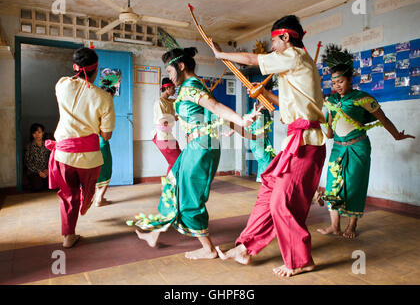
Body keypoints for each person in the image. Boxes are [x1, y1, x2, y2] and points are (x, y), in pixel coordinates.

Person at [209, 15, 327, 277]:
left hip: (306, 143)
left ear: (286, 37)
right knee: (267, 197)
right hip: (293, 142)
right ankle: (244, 248)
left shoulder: (295, 55)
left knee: (282, 204)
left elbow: (252, 59)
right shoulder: (294, 65)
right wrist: (261, 92)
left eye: (274, 41)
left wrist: (220, 54)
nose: (272, 47)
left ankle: (300, 260)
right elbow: (283, 101)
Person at [127, 47, 261, 260]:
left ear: (181, 66)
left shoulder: (190, 88)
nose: (170, 77)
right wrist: (241, 128)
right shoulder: (194, 86)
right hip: (197, 146)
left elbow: (216, 108)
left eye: (170, 71)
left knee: (189, 197)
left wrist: (241, 121)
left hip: (201, 147)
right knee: (173, 185)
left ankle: (208, 249)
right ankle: (155, 234)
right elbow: (212, 115)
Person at [316, 44, 415, 239]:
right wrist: (322, 124)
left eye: (341, 81)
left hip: (358, 147)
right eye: (334, 82)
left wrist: (397, 135)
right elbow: (329, 133)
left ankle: (351, 225)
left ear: (351, 79)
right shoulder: (331, 101)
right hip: (338, 148)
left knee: (355, 185)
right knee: (332, 185)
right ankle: (334, 226)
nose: (337, 86)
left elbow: (383, 119)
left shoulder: (363, 98)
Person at [46, 47, 115, 248]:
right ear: (96, 69)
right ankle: (88, 198)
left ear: (75, 67)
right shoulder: (104, 97)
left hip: (63, 155)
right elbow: (106, 135)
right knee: (87, 189)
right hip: (89, 159)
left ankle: (68, 236)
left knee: (68, 195)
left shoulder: (62, 85)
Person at [93, 71, 120, 207]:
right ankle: (99, 198)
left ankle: (95, 197)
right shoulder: (108, 104)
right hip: (102, 142)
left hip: (91, 142)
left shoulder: (93, 103)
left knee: (95, 170)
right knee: (107, 170)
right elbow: (106, 134)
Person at [152, 77, 181, 175]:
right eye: (173, 88)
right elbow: (163, 122)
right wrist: (176, 117)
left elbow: (180, 100)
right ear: (167, 88)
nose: (174, 90)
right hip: (162, 136)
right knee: (176, 162)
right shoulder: (159, 102)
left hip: (168, 134)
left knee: (178, 160)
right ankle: (168, 187)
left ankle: (170, 186)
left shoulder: (170, 101)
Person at [24, 123, 50, 191]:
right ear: (32, 134)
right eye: (34, 133)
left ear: (43, 133)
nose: (37, 135)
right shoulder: (29, 146)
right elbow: (27, 162)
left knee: (50, 186)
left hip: (46, 171)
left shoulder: (47, 145)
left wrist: (48, 169)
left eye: (39, 132)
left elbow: (50, 159)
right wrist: (38, 172)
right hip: (34, 172)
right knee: (38, 187)